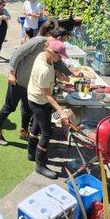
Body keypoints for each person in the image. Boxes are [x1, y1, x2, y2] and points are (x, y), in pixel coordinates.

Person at [0, 21, 71, 145]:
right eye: (63, 41)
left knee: (27, 109)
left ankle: (23, 131)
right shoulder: (38, 41)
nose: (64, 43)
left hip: (30, 85)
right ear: (59, 38)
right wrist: (12, 73)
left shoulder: (52, 49)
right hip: (18, 80)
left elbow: (58, 63)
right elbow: (17, 54)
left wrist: (71, 74)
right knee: (9, 107)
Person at [27, 39, 70, 178]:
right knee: (46, 133)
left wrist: (59, 75)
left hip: (35, 96)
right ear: (52, 51)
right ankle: (40, 165)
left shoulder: (43, 55)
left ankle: (31, 152)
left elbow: (53, 67)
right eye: (59, 56)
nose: (61, 58)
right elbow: (48, 96)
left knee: (36, 125)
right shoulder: (44, 70)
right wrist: (61, 111)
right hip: (39, 100)